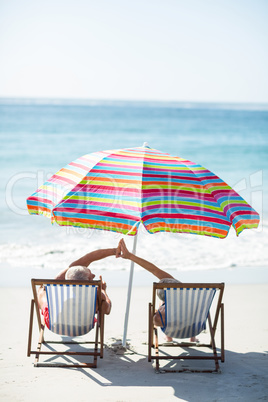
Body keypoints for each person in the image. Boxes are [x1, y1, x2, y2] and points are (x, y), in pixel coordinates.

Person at [116, 238, 197, 342]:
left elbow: (157, 322)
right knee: (182, 303)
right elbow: (155, 270)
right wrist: (130, 255)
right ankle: (193, 338)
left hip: (171, 330)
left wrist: (156, 313)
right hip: (193, 329)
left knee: (163, 304)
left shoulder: (165, 313)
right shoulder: (192, 299)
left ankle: (168, 337)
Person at [38, 247, 115, 329]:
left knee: (42, 292)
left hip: (55, 326)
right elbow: (107, 310)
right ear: (87, 280)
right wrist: (103, 290)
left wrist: (43, 291)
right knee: (98, 304)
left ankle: (41, 293)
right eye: (90, 276)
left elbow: (87, 259)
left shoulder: (58, 289)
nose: (94, 275)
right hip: (83, 327)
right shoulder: (94, 294)